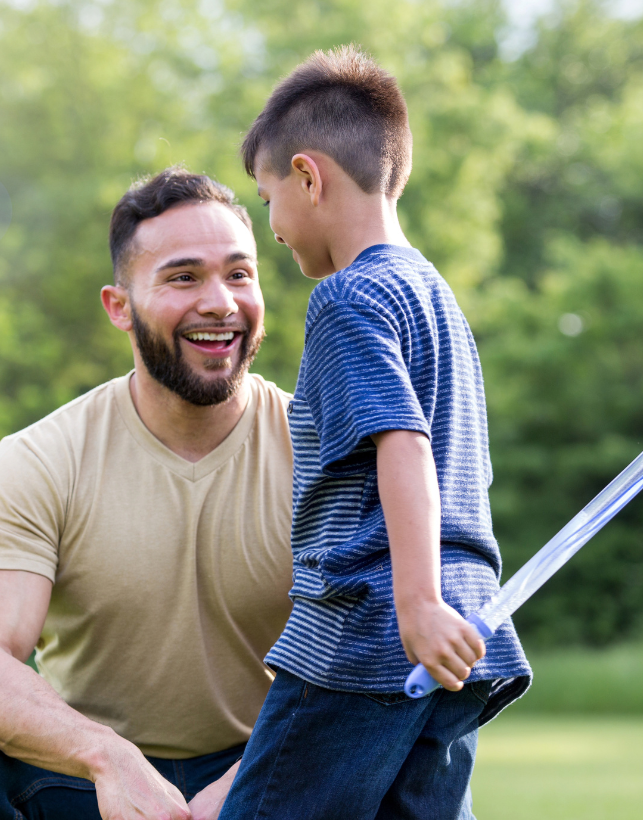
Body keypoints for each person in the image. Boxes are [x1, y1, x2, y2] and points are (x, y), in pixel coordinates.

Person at [0, 168, 294, 820]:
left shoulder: (317, 451)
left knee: (399, 754)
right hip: (88, 779)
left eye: (239, 273)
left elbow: (363, 660)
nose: (221, 302)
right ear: (119, 307)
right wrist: (108, 759)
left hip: (264, 769)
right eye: (183, 277)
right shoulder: (41, 459)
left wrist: (250, 780)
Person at [218, 46, 533, 820]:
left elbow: (405, 444)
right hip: (470, 633)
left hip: (369, 628)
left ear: (308, 176)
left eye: (267, 200)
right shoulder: (435, 296)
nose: (276, 229)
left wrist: (415, 600)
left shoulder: (346, 299)